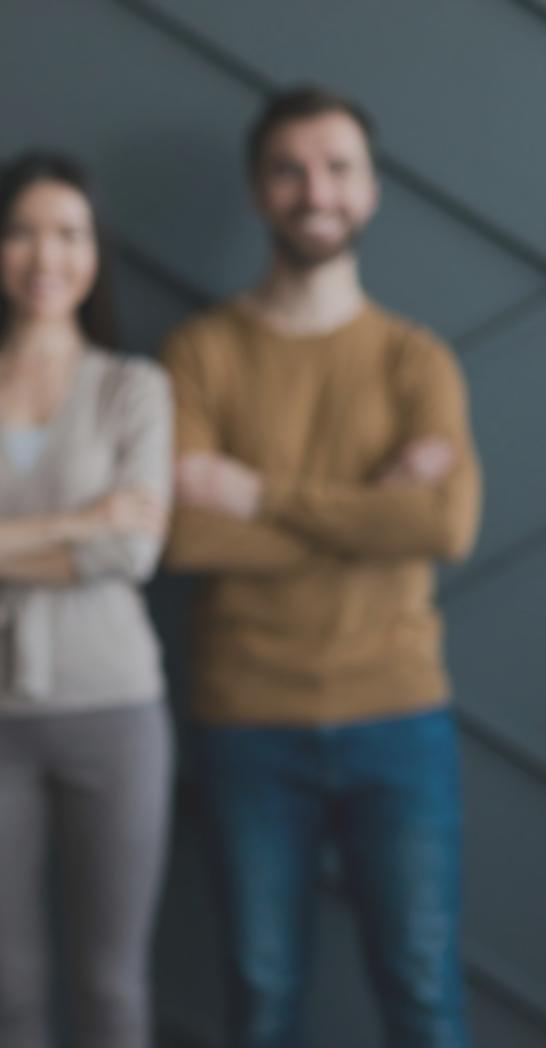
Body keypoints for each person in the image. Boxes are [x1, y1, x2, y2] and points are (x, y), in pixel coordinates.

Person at [162, 86, 481, 1048]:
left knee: (423, 988)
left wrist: (258, 496)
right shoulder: (201, 353)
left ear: (372, 188)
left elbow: (445, 525)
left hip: (400, 715)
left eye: (338, 167)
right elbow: (184, 538)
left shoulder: (416, 360)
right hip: (247, 720)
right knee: (262, 999)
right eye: (291, 169)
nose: (316, 190)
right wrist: (371, 505)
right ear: (261, 192)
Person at [0, 152, 173, 1048]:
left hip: (116, 710)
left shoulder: (136, 387)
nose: (45, 255)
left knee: (112, 988)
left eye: (68, 233)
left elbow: (133, 550)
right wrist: (79, 521)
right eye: (23, 231)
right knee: (7, 994)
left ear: (94, 253)